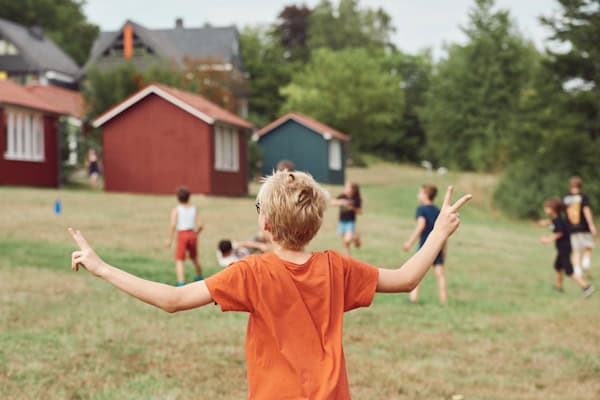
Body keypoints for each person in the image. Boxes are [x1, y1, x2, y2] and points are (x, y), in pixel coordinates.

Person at [68, 170, 471, 399]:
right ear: (315, 224)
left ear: (264, 224)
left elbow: (173, 299)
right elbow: (405, 278)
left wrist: (102, 268)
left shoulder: (251, 273)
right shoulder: (336, 268)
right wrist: (437, 233)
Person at [402, 184, 447, 304]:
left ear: (425, 195)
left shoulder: (421, 209)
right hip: (437, 245)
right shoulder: (438, 211)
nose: (418, 195)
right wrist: (443, 250)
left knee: (417, 272)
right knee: (440, 274)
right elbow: (444, 231)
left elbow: (421, 226)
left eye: (420, 193)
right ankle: (443, 300)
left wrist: (409, 242)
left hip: (425, 246)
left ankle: (413, 298)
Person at [540, 198, 594, 297]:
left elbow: (559, 233)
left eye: (547, 207)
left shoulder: (558, 220)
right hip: (562, 248)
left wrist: (547, 239)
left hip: (564, 248)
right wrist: (546, 223)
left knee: (568, 270)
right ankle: (558, 287)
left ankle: (586, 287)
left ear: (553, 209)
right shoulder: (556, 219)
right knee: (557, 266)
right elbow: (554, 224)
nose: (545, 209)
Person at [165, 186, 204, 286]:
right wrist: (195, 234)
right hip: (192, 234)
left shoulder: (176, 210)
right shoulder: (194, 209)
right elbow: (200, 225)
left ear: (178, 198)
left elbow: (173, 225)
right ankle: (200, 276)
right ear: (189, 197)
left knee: (180, 260)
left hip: (182, 234)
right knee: (194, 257)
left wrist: (169, 239)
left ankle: (181, 282)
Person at [563, 176, 597, 279]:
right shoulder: (583, 197)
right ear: (580, 186)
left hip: (571, 229)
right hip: (584, 228)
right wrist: (591, 225)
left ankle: (577, 271)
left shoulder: (566, 198)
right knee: (588, 246)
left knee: (576, 251)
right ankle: (586, 262)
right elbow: (586, 211)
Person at [332, 182, 362, 256]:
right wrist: (341, 202)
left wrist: (352, 208)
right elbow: (332, 202)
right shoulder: (342, 196)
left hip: (350, 222)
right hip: (341, 222)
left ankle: (356, 237)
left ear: (353, 189)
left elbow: (360, 211)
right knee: (345, 243)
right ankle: (348, 260)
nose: (345, 189)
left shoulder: (356, 199)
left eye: (347, 187)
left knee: (347, 240)